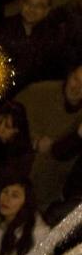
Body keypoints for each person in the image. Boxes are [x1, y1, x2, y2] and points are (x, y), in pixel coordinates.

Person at [16, 64, 82, 210]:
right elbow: (4, 126)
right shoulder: (39, 92)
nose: (77, 88)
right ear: (69, 75)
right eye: (76, 80)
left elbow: (63, 154)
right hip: (8, 183)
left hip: (44, 199)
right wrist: (31, 141)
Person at [0, 0, 63, 90]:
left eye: (39, 6)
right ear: (21, 3)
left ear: (47, 11)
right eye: (28, 3)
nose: (32, 9)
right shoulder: (1, 29)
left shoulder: (53, 38)